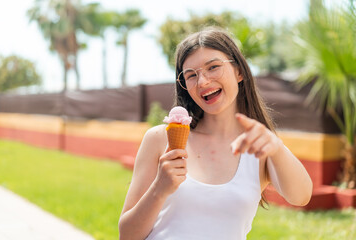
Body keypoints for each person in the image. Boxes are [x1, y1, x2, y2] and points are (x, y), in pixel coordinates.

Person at [118, 27, 313, 240]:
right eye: (191, 75)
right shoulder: (159, 139)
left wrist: (276, 147)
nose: (203, 82)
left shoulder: (261, 147)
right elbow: (127, 235)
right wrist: (159, 188)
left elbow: (301, 197)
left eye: (213, 67)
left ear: (239, 71)